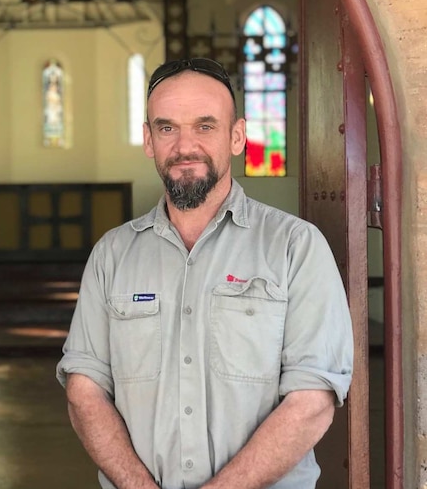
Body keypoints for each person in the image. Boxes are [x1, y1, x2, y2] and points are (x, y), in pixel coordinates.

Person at [56, 57, 353, 489]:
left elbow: (313, 399)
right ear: (148, 140)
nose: (184, 145)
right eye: (167, 127)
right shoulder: (112, 256)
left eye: (205, 125)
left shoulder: (294, 247)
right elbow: (85, 391)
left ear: (237, 136)